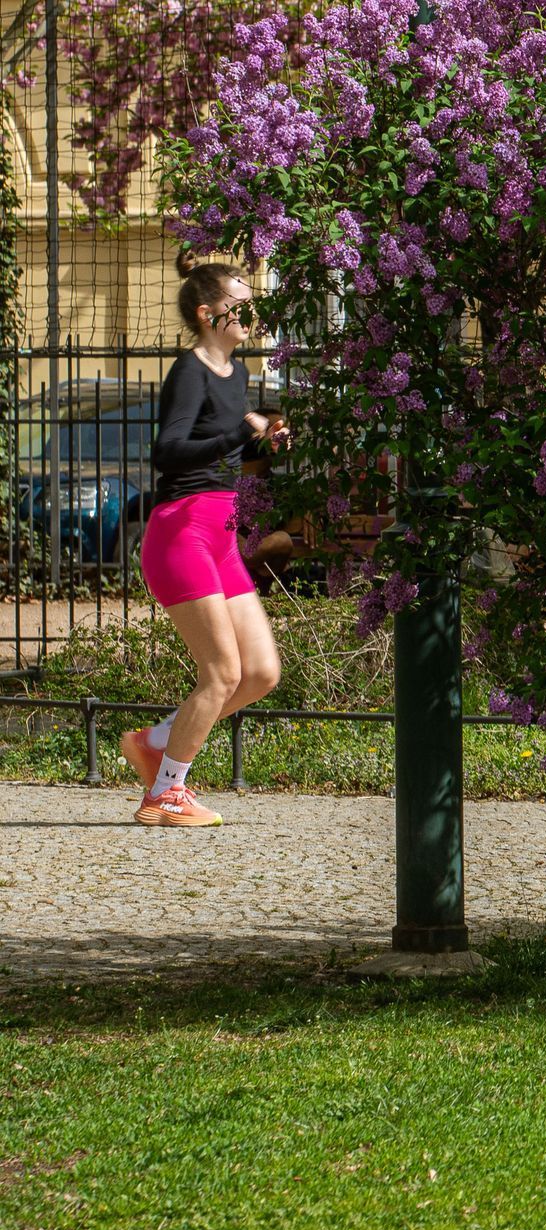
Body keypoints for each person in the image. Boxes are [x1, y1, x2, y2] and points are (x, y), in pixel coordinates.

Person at [118, 260, 285, 826]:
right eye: (240, 303)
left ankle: (155, 741)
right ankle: (165, 793)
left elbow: (224, 459)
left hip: (221, 533)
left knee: (260, 672)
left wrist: (263, 446)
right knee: (222, 673)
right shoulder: (189, 372)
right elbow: (167, 452)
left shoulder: (235, 374)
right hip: (181, 531)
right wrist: (240, 430)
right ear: (206, 313)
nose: (251, 313)